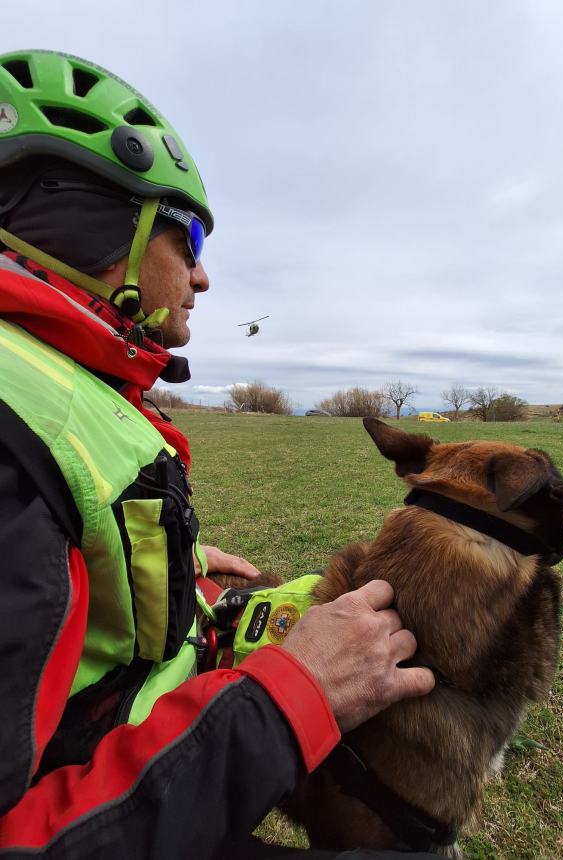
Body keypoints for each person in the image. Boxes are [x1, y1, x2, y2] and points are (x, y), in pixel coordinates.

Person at [0, 50, 436, 858]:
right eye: (188, 235)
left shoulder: (57, 376)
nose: (201, 276)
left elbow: (70, 579)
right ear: (96, 227)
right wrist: (286, 699)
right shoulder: (12, 434)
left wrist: (177, 568)